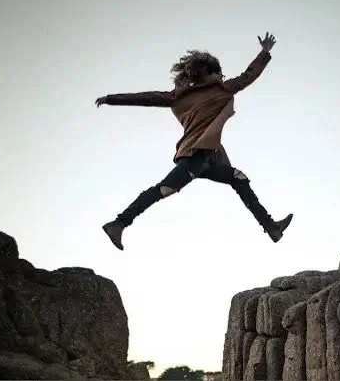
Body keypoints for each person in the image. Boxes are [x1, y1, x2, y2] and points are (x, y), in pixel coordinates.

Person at [95, 32, 293, 250]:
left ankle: (271, 227)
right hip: (195, 156)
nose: (221, 75)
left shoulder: (181, 95)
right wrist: (264, 52)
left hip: (207, 159)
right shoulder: (217, 89)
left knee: (239, 178)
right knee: (165, 189)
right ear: (209, 71)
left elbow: (146, 97)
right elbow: (248, 75)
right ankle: (119, 223)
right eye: (218, 72)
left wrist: (111, 99)